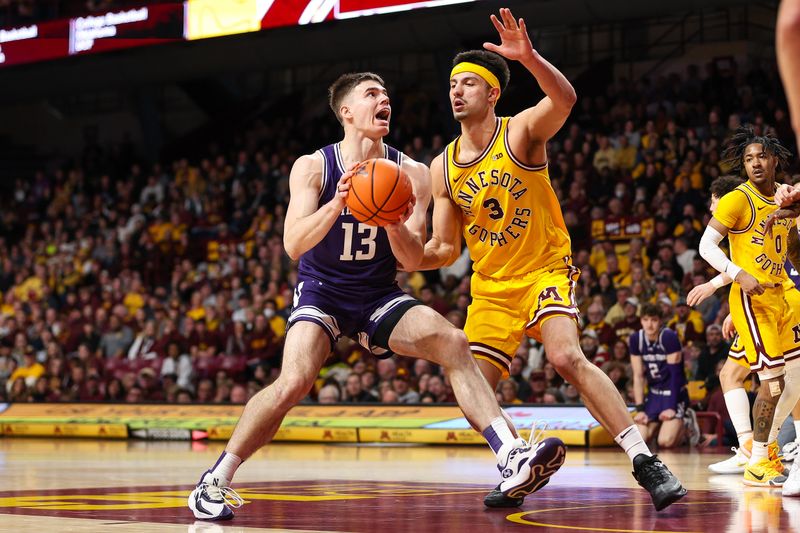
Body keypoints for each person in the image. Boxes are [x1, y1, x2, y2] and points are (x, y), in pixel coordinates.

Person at [187, 71, 564, 521]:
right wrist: (338, 203)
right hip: (323, 292)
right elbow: (293, 244)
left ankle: (511, 456)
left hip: (377, 293)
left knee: (454, 342)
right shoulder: (313, 166)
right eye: (372, 95)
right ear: (347, 112)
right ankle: (215, 480)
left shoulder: (414, 173)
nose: (384, 100)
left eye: (386, 95)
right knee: (293, 383)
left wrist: (390, 223)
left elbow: (410, 258)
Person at [418, 7, 685, 510]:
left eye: (469, 84)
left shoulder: (519, 132)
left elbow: (565, 99)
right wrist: (397, 237)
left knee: (565, 356)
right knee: (468, 378)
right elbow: (444, 250)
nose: (457, 92)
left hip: (544, 269)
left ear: (493, 93)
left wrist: (530, 57)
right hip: (491, 289)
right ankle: (515, 463)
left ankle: (645, 460)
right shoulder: (442, 166)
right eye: (454, 85)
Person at [697, 127, 800, 486]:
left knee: (795, 380)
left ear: (774, 160)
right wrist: (737, 275)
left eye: (761, 157)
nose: (755, 163)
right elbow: (706, 247)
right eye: (748, 158)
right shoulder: (737, 200)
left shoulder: (784, 197)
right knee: (771, 384)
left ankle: (769, 449)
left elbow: (788, 253)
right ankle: (756, 459)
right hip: (752, 298)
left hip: (784, 293)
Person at [630, 303, 689, 449]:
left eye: (654, 320)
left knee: (665, 441)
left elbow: (676, 375)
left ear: (660, 321)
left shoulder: (668, 336)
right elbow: (638, 376)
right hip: (654, 394)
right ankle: (659, 424)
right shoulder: (636, 339)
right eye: (645, 320)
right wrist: (640, 409)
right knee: (639, 440)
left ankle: (686, 424)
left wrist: (671, 407)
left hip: (674, 393)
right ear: (641, 320)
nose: (649, 325)